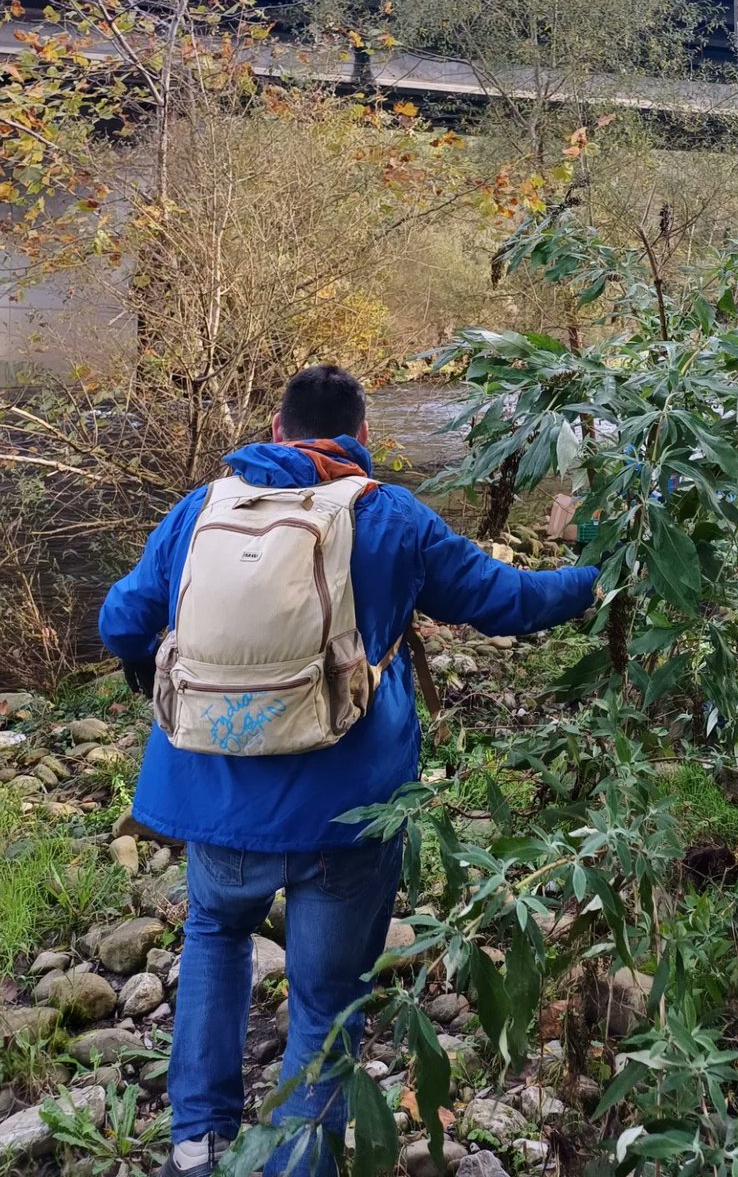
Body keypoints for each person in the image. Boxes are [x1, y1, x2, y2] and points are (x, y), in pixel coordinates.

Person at [99, 365, 600, 1177]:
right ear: (362, 437)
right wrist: (599, 578)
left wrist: (138, 658)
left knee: (216, 937)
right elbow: (508, 601)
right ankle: (297, 1164)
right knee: (325, 1005)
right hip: (347, 814)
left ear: (276, 428)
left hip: (216, 797)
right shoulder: (389, 514)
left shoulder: (204, 506)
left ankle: (197, 1147)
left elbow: (120, 619)